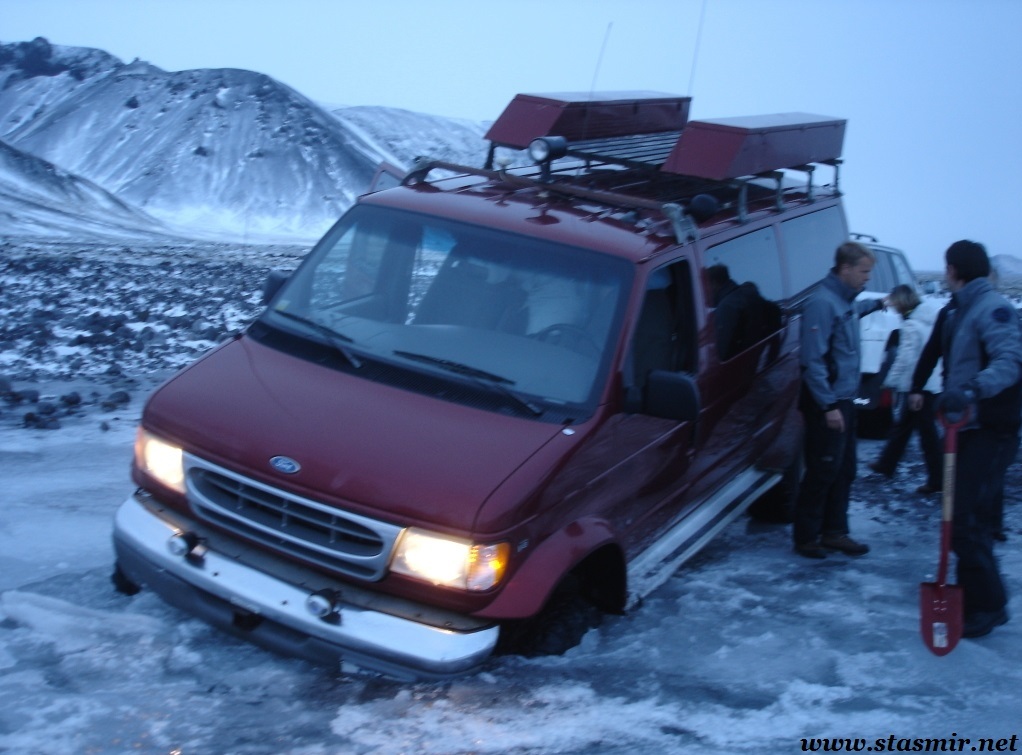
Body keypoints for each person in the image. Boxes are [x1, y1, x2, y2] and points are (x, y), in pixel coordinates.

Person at [908, 240, 1022, 638]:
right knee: (965, 518)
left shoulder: (992, 308)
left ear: (952, 270)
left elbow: (1011, 360)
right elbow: (937, 354)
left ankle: (989, 605)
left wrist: (972, 390)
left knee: (964, 522)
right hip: (966, 429)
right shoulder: (958, 309)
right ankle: (978, 598)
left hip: (991, 428)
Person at [793, 241, 884, 559]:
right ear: (845, 268)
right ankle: (806, 537)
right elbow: (812, 361)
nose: (867, 278)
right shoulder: (822, 303)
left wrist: (880, 304)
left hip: (844, 399)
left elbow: (854, 313)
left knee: (844, 469)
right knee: (823, 469)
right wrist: (828, 406)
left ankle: (834, 531)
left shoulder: (845, 301)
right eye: (864, 271)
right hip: (826, 402)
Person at [868, 284, 943, 493]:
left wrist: (889, 381)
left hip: (919, 387)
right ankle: (886, 464)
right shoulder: (929, 320)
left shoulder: (910, 326)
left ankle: (938, 479)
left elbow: (905, 358)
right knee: (904, 426)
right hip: (931, 382)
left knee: (927, 435)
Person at [706, 264, 781, 360]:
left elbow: (723, 355)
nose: (704, 293)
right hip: (759, 359)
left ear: (714, 283)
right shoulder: (747, 294)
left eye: (705, 287)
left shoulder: (727, 307)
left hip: (746, 364)